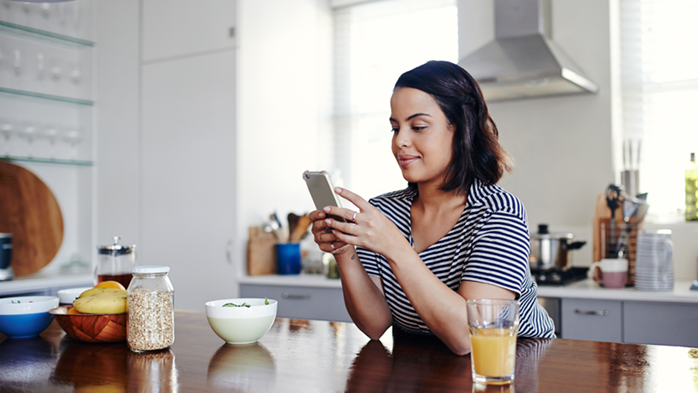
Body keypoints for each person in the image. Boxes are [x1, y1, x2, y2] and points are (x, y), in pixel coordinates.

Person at [309, 60, 555, 356]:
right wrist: (343, 249)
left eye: (419, 126)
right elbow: (375, 325)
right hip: (430, 370)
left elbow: (472, 338)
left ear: (460, 128)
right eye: (395, 128)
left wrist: (395, 247)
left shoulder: (498, 211)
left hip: (513, 366)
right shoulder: (385, 212)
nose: (400, 141)